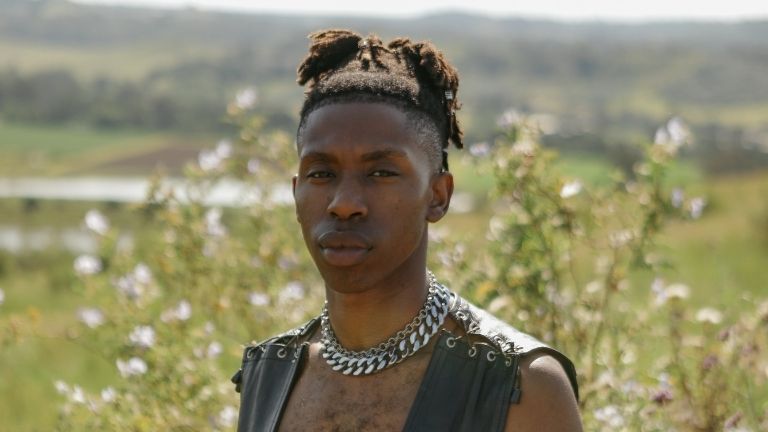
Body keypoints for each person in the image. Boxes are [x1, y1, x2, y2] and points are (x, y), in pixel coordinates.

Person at [232, 29, 582, 432]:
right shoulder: (270, 373)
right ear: (296, 193)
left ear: (438, 195)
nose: (344, 203)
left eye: (381, 173)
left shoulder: (518, 385)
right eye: (321, 174)